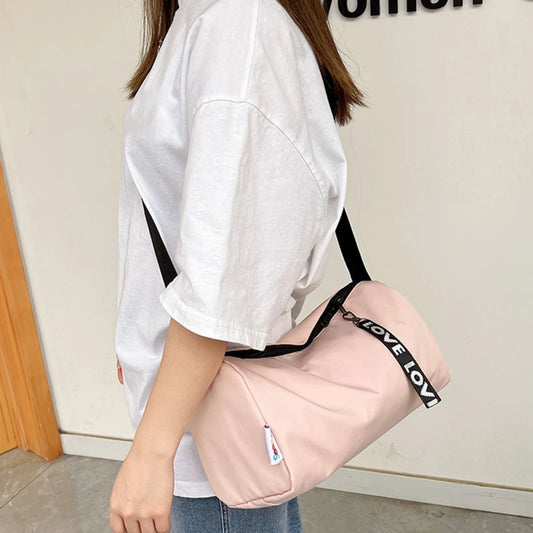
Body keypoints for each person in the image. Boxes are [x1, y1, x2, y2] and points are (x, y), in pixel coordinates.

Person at [109, 0, 366, 530]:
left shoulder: (236, 20)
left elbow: (223, 286)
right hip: (204, 399)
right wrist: (138, 339)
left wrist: (152, 452)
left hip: (207, 426)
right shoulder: (214, 17)